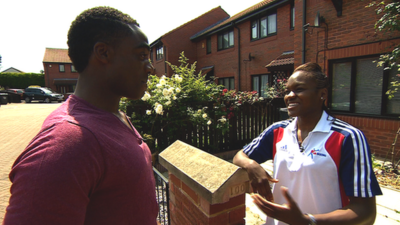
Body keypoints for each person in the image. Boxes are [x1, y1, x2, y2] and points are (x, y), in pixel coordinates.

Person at [3, 7, 158, 225]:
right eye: (142, 56)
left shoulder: (115, 117)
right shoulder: (67, 143)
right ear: (103, 53)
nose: (150, 68)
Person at [233, 62, 382, 225]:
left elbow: (365, 213)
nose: (290, 95)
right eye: (288, 90)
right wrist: (251, 166)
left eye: (299, 89)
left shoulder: (347, 137)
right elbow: (240, 156)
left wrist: (307, 221)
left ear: (322, 94)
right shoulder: (278, 131)